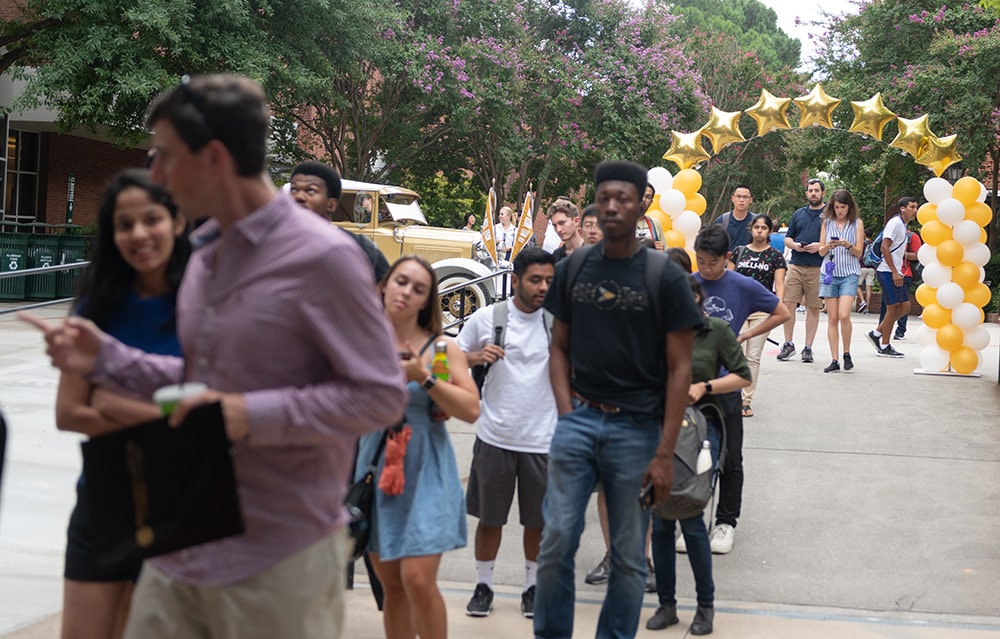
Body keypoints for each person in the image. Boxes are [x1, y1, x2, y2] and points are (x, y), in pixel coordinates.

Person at [22, 74, 408, 639]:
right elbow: (204, 383)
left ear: (214, 158)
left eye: (164, 156)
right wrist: (105, 356)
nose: (153, 174)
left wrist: (246, 414)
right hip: (179, 542)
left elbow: (379, 395)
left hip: (278, 556)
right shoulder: (202, 260)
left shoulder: (323, 258)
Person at [534, 160, 703, 639]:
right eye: (604, 197)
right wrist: (568, 417)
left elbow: (679, 370)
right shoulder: (572, 269)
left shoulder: (663, 276)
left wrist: (665, 452)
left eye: (622, 198)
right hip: (581, 419)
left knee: (629, 559)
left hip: (639, 426)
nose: (611, 206)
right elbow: (558, 349)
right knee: (556, 544)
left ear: (640, 204)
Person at [56, 169, 190, 639]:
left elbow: (206, 419)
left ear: (176, 221)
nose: (138, 234)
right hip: (104, 494)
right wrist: (166, 415)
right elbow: (69, 413)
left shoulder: (202, 306)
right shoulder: (98, 307)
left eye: (150, 219)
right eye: (123, 224)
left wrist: (114, 405)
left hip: (180, 502)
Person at [360, 255, 480, 639]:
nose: (406, 292)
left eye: (418, 289)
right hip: (375, 468)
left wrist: (424, 378)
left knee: (416, 579)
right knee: (392, 585)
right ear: (384, 286)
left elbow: (471, 409)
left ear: (426, 301)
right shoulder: (359, 341)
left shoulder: (441, 348)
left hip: (425, 468)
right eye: (401, 282)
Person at [647, 276, 751, 636]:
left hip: (702, 429)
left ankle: (705, 606)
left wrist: (704, 386)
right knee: (660, 522)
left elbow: (742, 376)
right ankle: (667, 604)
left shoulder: (716, 330)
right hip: (660, 429)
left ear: (697, 298)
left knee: (691, 517)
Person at [456, 247, 556, 620]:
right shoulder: (487, 319)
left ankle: (532, 588)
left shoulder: (558, 323)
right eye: (535, 280)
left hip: (543, 441)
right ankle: (483, 584)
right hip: (495, 437)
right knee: (490, 519)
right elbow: (441, 356)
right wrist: (473, 358)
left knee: (538, 522)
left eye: (549, 280)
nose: (543, 287)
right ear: (515, 280)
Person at [692, 224, 790, 555]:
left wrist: (747, 335)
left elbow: (782, 312)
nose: (706, 268)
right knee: (690, 455)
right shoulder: (689, 284)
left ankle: (725, 523)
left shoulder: (742, 286)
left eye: (712, 263)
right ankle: (692, 519)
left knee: (730, 457)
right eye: (701, 261)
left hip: (726, 384)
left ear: (727, 257)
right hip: (690, 386)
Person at [289, 160, 390, 281]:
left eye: (310, 190)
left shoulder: (358, 247)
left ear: (331, 205)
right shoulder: (275, 243)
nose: (299, 196)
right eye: (294, 189)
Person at [729, 214, 786, 416]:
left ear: (769, 231)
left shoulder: (775, 256)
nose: (760, 230)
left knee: (753, 357)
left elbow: (779, 284)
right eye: (756, 227)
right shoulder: (739, 252)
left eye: (764, 227)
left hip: (762, 311)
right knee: (737, 353)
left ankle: (746, 400)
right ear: (751, 229)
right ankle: (733, 395)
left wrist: (778, 307)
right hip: (738, 310)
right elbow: (729, 279)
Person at [779, 178, 827, 364]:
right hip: (796, 265)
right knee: (788, 304)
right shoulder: (798, 214)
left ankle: (808, 347)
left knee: (813, 308)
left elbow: (833, 240)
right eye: (810, 190)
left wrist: (820, 246)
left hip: (817, 267)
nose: (813, 193)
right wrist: (795, 245)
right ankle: (788, 343)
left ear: (823, 193)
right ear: (806, 193)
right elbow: (788, 238)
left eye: (816, 190)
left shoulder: (829, 215)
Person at [818, 189, 865, 373]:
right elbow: (820, 251)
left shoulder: (856, 224)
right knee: (833, 317)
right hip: (829, 272)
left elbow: (859, 252)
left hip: (849, 273)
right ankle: (834, 358)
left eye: (843, 207)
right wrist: (828, 246)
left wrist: (848, 245)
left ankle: (847, 352)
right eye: (837, 207)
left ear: (849, 207)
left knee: (844, 314)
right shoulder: (827, 223)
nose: (840, 211)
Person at [867, 197, 918, 358]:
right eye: (912, 207)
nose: (915, 210)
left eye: (916, 207)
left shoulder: (903, 225)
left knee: (905, 306)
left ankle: (877, 333)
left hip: (895, 271)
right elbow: (884, 246)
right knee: (892, 307)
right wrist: (894, 271)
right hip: (887, 271)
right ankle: (885, 344)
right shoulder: (895, 223)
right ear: (903, 208)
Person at [877, 224, 922, 339]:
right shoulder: (889, 236)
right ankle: (881, 331)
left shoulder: (912, 237)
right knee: (888, 304)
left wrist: (900, 253)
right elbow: (883, 248)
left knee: (903, 304)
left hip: (905, 273)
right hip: (889, 272)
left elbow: (918, 255)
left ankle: (899, 330)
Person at [713, 185, 757, 252]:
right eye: (738, 196)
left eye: (745, 197)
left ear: (750, 200)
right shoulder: (722, 221)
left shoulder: (756, 221)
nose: (741, 200)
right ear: (733, 198)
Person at [547, 197, 583, 261]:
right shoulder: (556, 257)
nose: (558, 230)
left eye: (562, 223)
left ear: (576, 221)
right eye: (555, 225)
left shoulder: (596, 253)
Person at [639, 184, 665, 251]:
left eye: (648, 197)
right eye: (640, 194)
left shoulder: (655, 223)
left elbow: (666, 253)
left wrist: (662, 250)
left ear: (651, 202)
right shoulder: (621, 223)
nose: (643, 199)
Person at [856, 230, 875, 314]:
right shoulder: (874, 244)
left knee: (856, 285)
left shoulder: (862, 244)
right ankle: (867, 308)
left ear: (864, 234)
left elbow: (859, 254)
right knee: (868, 288)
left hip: (862, 267)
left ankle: (863, 301)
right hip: (872, 268)